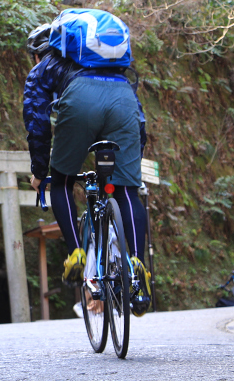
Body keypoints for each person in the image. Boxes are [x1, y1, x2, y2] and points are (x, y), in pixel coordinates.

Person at [22, 20, 151, 314]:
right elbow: (139, 122)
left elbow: (37, 121)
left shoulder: (45, 67)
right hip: (123, 99)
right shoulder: (113, 67)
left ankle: (76, 255)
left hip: (80, 101)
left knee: (63, 182)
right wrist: (131, 166)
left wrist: (41, 172)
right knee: (126, 192)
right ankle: (136, 268)